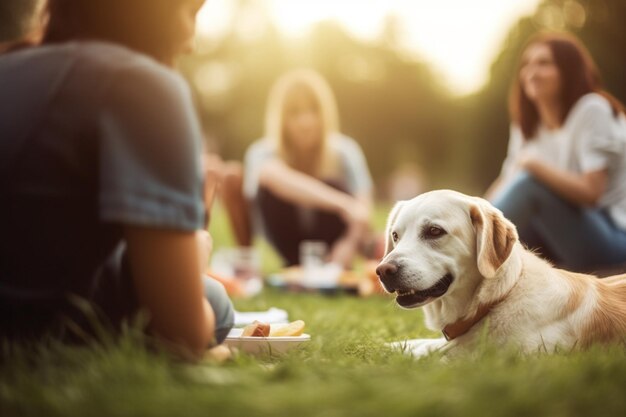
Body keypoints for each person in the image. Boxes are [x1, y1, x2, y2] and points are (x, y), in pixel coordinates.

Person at [0, 0, 234, 359]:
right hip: (27, 334)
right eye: (190, 14)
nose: (191, 43)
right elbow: (182, 336)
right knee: (215, 302)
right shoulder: (141, 83)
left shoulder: (11, 63)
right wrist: (197, 251)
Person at [487, 31, 626, 272]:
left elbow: (592, 192)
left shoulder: (592, 109)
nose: (532, 72)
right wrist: (474, 210)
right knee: (502, 222)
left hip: (614, 238)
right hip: (554, 237)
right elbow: (507, 182)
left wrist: (534, 165)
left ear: (568, 71)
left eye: (544, 63)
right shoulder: (526, 124)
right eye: (527, 64)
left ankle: (465, 253)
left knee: (530, 184)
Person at [235, 69, 378, 268]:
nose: (306, 122)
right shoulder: (261, 152)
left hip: (334, 247)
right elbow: (271, 176)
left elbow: (363, 211)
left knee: (333, 183)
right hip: (288, 245)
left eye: (313, 110)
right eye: (295, 113)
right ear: (282, 118)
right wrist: (344, 204)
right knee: (270, 185)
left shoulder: (346, 151)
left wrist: (349, 244)